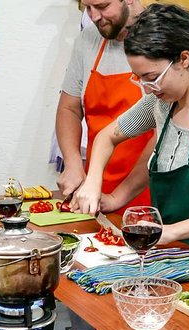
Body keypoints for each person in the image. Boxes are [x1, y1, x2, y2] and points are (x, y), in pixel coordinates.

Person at [72, 4, 189, 259]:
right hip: (169, 258)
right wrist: (98, 187)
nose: (147, 88)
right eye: (138, 78)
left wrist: (172, 232)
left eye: (151, 77)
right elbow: (108, 136)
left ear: (183, 59)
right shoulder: (160, 103)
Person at [56, 0, 155, 214]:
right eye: (87, 8)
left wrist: (119, 195)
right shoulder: (87, 40)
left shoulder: (160, 37)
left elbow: (164, 134)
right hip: (97, 193)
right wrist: (73, 164)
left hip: (149, 194)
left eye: (102, 6)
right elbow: (69, 109)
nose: (93, 16)